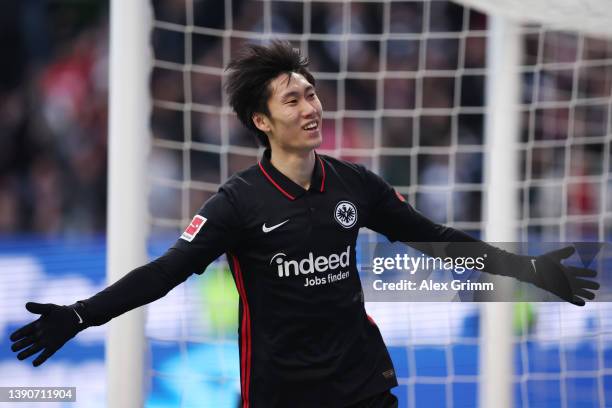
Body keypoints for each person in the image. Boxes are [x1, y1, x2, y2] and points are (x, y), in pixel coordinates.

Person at [10, 41, 598, 408]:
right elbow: (166, 273)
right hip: (281, 393)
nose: (311, 108)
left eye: (312, 95)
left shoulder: (355, 185)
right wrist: (82, 314)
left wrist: (530, 271)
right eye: (292, 100)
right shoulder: (235, 204)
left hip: (364, 384)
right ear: (262, 120)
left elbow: (437, 241)